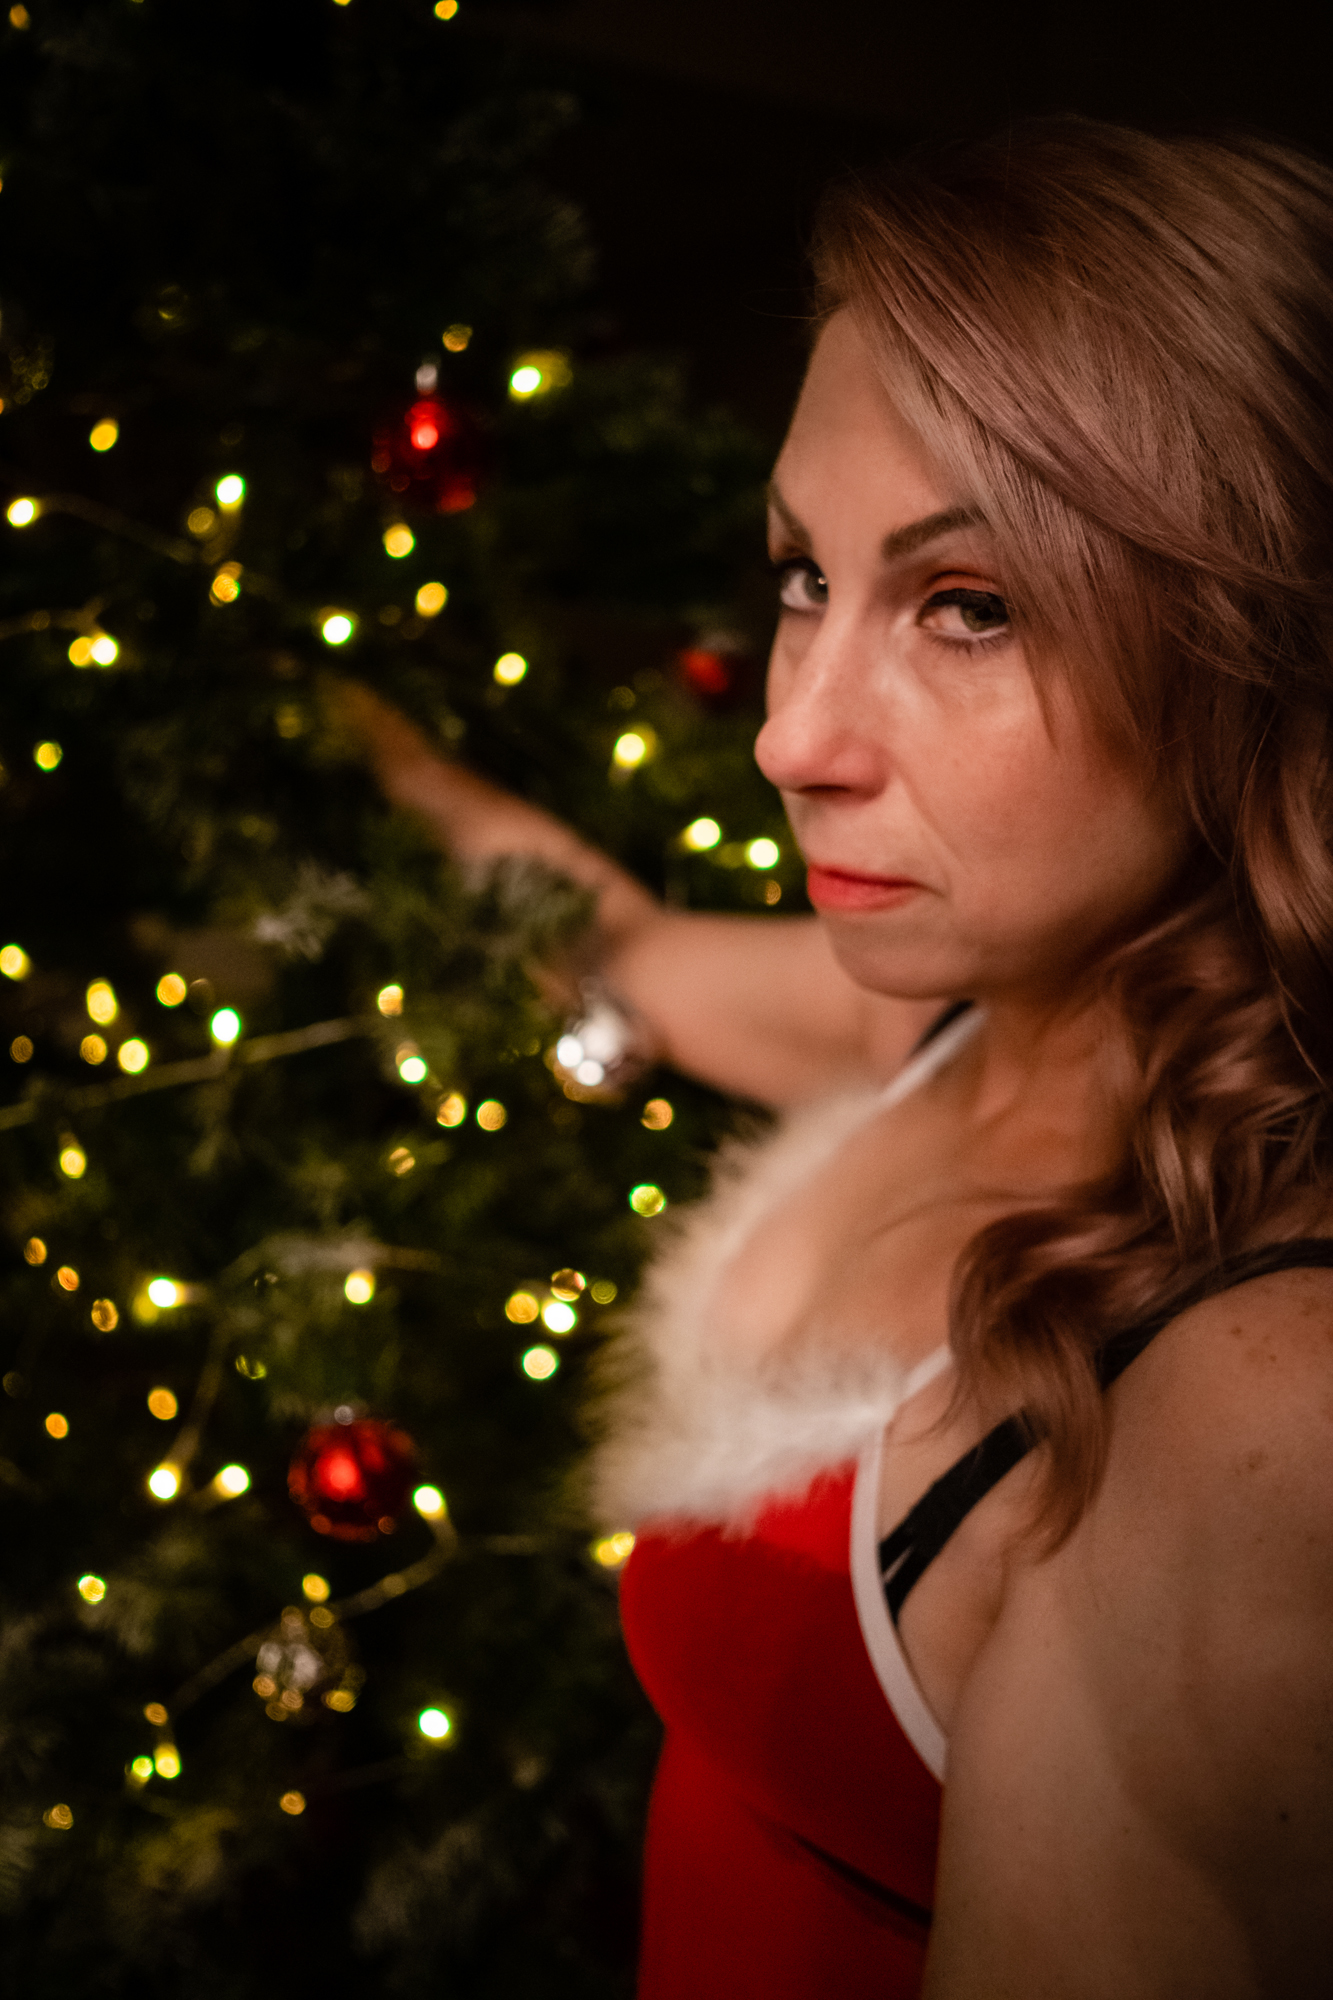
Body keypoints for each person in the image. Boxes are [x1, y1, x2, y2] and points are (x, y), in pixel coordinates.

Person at [350, 120, 1333, 1997]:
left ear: (1251, 648)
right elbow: (619, 946)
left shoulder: (1246, 1413)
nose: (793, 737)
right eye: (807, 573)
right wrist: (357, 751)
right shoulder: (946, 1018)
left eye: (967, 607)